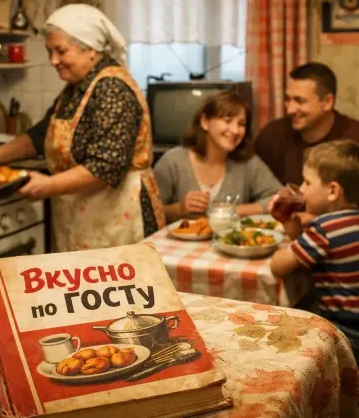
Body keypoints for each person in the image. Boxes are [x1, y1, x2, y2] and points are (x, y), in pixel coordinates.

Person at [0, 4, 165, 251]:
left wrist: (48, 185)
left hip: (119, 216)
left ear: (90, 49)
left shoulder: (112, 88)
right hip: (86, 217)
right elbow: (42, 134)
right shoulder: (78, 86)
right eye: (50, 51)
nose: (53, 61)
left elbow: (106, 165)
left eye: (61, 51)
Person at [270, 140, 359, 363]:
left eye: (308, 182)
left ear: (332, 191)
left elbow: (279, 266)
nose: (302, 189)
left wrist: (279, 250)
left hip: (344, 332)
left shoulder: (324, 229)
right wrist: (290, 223)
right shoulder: (346, 223)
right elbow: (305, 247)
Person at [154, 91, 282, 224]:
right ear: (205, 122)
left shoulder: (248, 163)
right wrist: (179, 209)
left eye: (241, 124)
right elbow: (148, 212)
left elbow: (280, 199)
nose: (235, 130)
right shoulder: (173, 161)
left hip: (231, 237)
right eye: (227, 120)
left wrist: (234, 211)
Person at [255, 62, 359, 186]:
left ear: (327, 102)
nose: (290, 110)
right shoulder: (272, 136)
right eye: (287, 99)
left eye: (300, 101)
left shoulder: (354, 137)